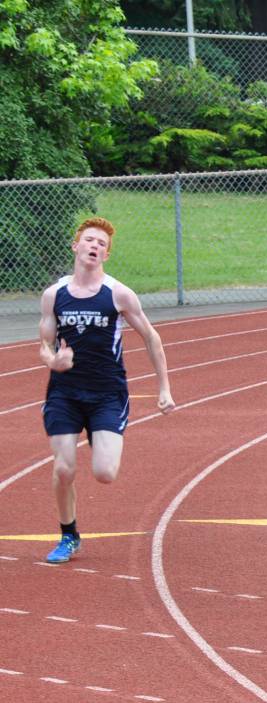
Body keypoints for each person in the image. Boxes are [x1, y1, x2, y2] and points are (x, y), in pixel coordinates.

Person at [39, 217, 175, 564]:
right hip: (64, 394)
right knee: (64, 469)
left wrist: (164, 388)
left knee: (104, 473)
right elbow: (44, 344)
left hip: (107, 394)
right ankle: (68, 535)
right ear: (76, 246)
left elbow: (151, 337)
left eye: (101, 243)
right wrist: (53, 360)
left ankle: (97, 434)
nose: (94, 246)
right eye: (89, 240)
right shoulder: (54, 295)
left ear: (106, 255)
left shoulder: (118, 294)